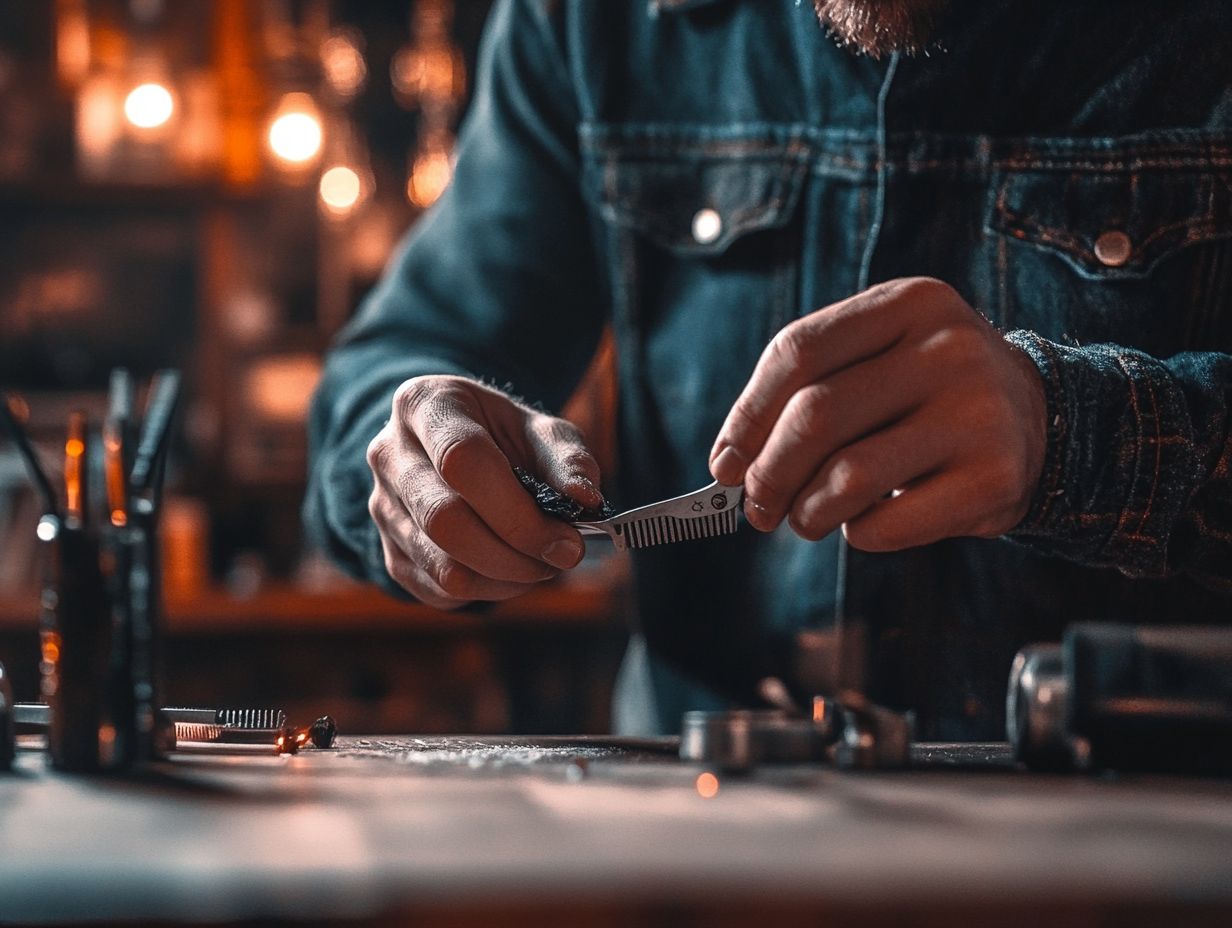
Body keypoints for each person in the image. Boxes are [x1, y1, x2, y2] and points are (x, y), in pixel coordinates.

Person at [306, 0, 1232, 740]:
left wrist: (1076, 435)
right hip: (699, 831)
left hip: (1143, 828)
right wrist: (414, 459)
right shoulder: (590, 19)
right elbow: (393, 368)